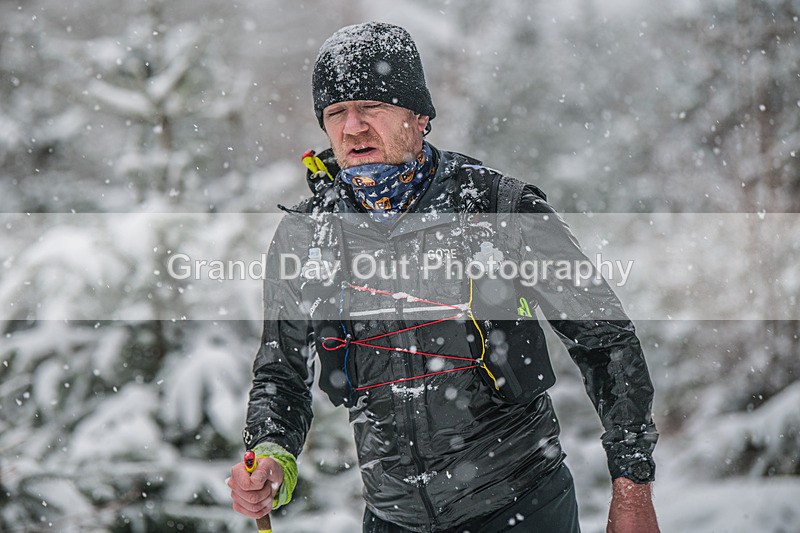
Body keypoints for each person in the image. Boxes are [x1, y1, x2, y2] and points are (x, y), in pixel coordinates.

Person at [228, 22, 660, 533]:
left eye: (373, 106)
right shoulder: (307, 235)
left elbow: (605, 340)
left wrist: (632, 487)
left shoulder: (499, 209)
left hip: (521, 506)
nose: (352, 128)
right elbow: (280, 372)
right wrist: (272, 455)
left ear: (420, 116)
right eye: (335, 113)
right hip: (393, 520)